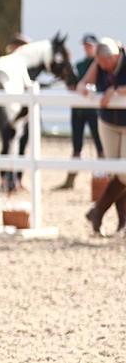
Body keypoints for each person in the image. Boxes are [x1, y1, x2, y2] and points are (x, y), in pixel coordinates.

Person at [78, 37, 126, 235]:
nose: (102, 67)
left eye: (104, 62)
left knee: (124, 173)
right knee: (116, 173)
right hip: (107, 122)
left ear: (115, 57)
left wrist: (114, 91)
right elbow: (82, 84)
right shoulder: (99, 63)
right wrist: (88, 91)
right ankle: (121, 223)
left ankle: (97, 211)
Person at [56, 33, 104, 190]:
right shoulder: (79, 65)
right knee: (77, 145)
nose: (87, 48)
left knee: (100, 145)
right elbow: (72, 85)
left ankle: (105, 179)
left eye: (89, 45)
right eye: (85, 45)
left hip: (94, 111)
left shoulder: (100, 64)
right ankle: (70, 180)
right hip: (78, 111)